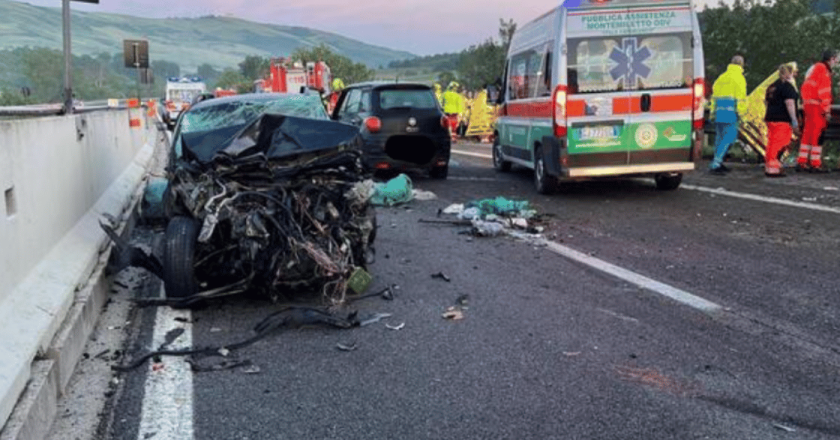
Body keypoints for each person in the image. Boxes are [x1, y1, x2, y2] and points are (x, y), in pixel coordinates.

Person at [797, 49, 838, 172]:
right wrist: (826, 110)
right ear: (831, 59)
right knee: (818, 134)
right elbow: (824, 92)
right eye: (836, 60)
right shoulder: (823, 70)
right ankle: (815, 163)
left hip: (808, 104)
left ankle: (802, 161)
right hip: (817, 106)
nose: (836, 62)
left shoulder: (814, 68)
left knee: (808, 133)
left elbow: (805, 87)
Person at [709, 55, 747, 174]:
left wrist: (712, 113)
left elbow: (713, 98)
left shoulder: (721, 77)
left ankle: (717, 161)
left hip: (719, 113)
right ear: (742, 65)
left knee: (719, 138)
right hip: (731, 114)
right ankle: (716, 163)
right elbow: (740, 99)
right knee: (729, 138)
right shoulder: (739, 78)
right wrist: (742, 115)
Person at [763, 64, 800, 177]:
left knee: (772, 142)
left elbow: (766, 102)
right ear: (790, 73)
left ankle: (770, 165)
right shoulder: (787, 87)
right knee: (780, 143)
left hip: (770, 117)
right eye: (794, 72)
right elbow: (790, 104)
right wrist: (794, 121)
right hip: (782, 119)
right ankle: (773, 168)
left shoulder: (772, 86)